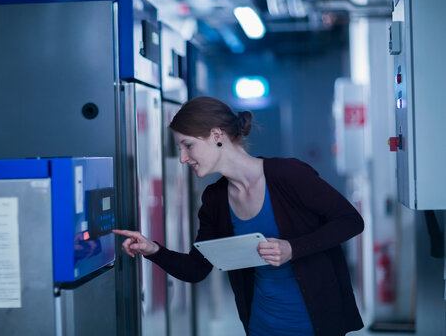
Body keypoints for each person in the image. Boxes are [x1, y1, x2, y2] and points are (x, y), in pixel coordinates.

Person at [113, 96, 364, 336]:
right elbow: (196, 269)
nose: (182, 158)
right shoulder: (215, 199)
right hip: (261, 326)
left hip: (315, 325)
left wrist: (292, 248)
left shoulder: (288, 174)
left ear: (216, 135)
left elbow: (350, 221)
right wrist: (152, 249)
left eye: (188, 145)